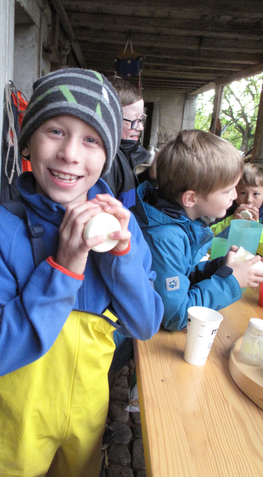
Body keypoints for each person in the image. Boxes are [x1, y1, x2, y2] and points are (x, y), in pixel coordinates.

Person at [0, 68, 164, 477]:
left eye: (91, 139)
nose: (71, 154)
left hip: (86, 416)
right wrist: (64, 268)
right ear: (28, 140)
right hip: (15, 418)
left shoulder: (122, 232)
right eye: (55, 130)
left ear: (108, 154)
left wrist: (122, 257)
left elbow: (145, 325)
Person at [131, 129, 263, 332]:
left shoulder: (179, 223)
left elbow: (178, 276)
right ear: (191, 199)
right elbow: (176, 315)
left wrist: (220, 267)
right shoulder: (164, 236)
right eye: (228, 190)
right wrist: (231, 281)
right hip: (130, 337)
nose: (235, 196)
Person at [102, 76, 154, 209]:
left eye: (141, 119)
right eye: (134, 120)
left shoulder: (122, 154)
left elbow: (125, 189)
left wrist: (149, 176)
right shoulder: (108, 161)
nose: (140, 127)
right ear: (110, 119)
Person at [210, 163, 263, 256]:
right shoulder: (227, 209)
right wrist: (232, 221)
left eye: (256, 194)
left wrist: (255, 226)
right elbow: (209, 237)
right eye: (243, 193)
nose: (249, 200)